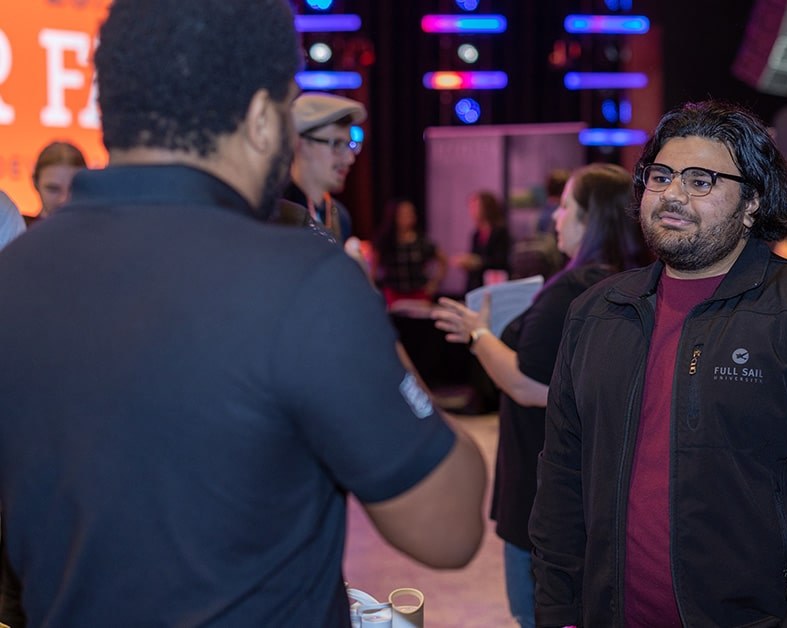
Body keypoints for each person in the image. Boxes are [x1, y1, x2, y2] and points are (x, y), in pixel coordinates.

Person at [0, 1, 487, 624]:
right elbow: (448, 527)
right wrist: (369, 323)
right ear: (262, 118)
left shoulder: (13, 277)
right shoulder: (301, 280)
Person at [529, 100, 787, 627]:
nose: (673, 194)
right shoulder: (598, 311)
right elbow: (562, 478)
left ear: (751, 203)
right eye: (661, 176)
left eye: (702, 181)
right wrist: (557, 610)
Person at [431, 163, 648, 628]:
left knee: (535, 611)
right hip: (596, 487)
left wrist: (478, 334)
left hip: (542, 484)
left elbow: (528, 384)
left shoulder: (573, 289)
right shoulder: (634, 285)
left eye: (566, 206)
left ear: (592, 218)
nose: (555, 218)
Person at [283, 91, 366, 245]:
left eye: (350, 145)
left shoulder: (340, 216)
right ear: (301, 143)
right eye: (337, 144)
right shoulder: (278, 213)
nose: (350, 158)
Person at [371, 197, 447, 303]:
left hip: (418, 294)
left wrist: (434, 284)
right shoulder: (385, 242)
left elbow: (443, 260)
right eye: (403, 213)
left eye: (410, 213)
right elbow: (373, 270)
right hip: (393, 295)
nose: (407, 217)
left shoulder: (422, 241)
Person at [452, 190, 511, 292]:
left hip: (494, 285)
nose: (472, 210)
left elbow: (501, 261)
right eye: (470, 206)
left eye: (476, 206)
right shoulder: (476, 234)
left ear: (487, 208)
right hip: (476, 286)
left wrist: (476, 262)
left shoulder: (500, 232)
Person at [26, 141, 87, 227]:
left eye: (73, 189)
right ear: (35, 183)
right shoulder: (16, 232)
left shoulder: (102, 233)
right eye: (53, 189)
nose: (63, 199)